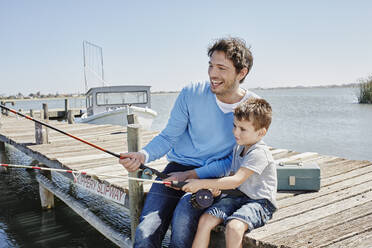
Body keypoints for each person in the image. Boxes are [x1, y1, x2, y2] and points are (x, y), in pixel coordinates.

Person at [119, 37, 259, 248]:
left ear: (242, 72)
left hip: (214, 177)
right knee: (145, 230)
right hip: (176, 168)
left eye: (221, 68)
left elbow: (233, 162)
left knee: (182, 220)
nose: (213, 73)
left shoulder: (252, 108)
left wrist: (191, 176)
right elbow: (168, 136)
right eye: (211, 65)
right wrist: (143, 156)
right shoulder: (191, 93)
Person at [182, 98, 277, 248]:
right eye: (235, 126)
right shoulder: (239, 147)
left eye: (242, 129)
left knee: (233, 227)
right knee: (206, 220)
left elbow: (236, 180)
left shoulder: (259, 153)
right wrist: (216, 190)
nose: (236, 132)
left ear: (261, 132)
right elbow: (231, 180)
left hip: (259, 202)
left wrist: (200, 183)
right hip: (238, 196)